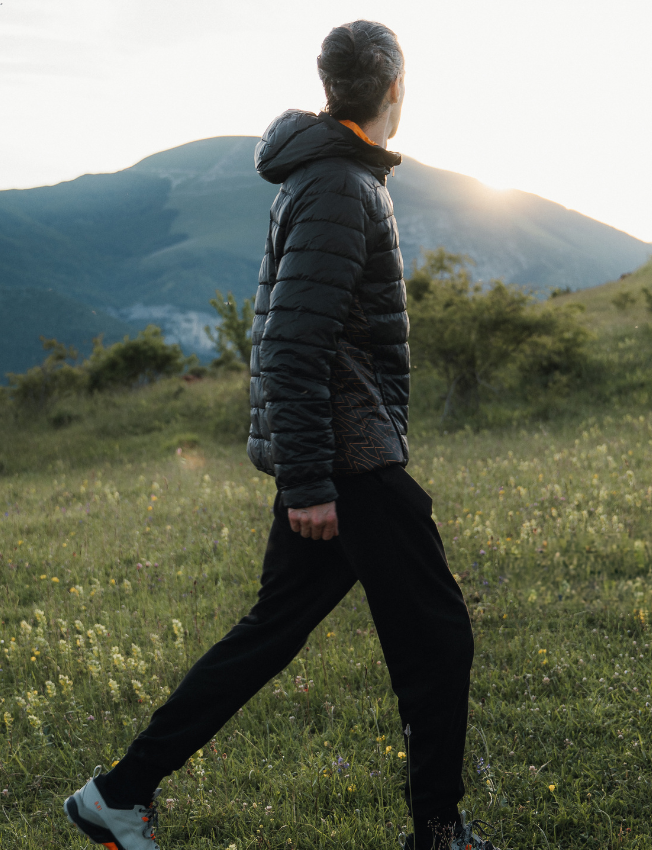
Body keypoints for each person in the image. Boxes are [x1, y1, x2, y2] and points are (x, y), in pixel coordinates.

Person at [64, 20, 498, 850]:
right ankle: (438, 833)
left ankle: (117, 794)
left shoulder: (327, 174)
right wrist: (308, 482)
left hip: (337, 451)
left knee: (269, 634)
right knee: (439, 637)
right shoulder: (338, 183)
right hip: (348, 457)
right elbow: (291, 342)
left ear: (331, 85)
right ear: (395, 89)